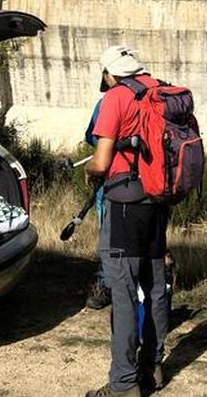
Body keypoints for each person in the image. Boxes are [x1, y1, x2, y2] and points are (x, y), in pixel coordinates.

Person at [84, 46, 170, 397]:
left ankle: (123, 384)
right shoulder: (161, 90)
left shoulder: (115, 99)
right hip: (158, 200)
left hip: (124, 207)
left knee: (122, 294)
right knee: (155, 285)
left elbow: (102, 163)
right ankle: (153, 366)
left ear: (109, 73)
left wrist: (91, 170)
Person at [83, 99, 111, 310]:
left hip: (114, 184)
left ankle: (105, 284)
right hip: (153, 184)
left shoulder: (108, 102)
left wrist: (91, 167)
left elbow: (93, 138)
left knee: (109, 237)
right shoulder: (154, 95)